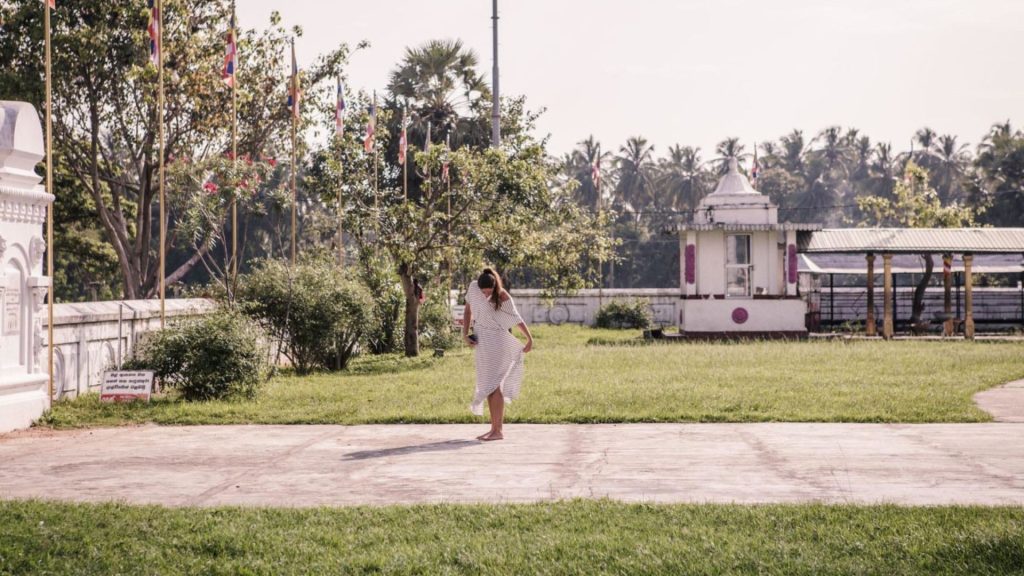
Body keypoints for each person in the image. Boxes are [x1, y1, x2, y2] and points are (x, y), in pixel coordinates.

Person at [463, 267, 533, 441]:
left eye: (489, 290)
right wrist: (465, 334)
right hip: (482, 340)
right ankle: (493, 428)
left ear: (495, 286)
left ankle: (498, 431)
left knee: (494, 385)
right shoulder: (473, 288)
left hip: (497, 341)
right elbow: (467, 310)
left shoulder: (502, 296)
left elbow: (516, 319)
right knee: (488, 384)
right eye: (483, 291)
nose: (486, 294)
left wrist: (529, 338)